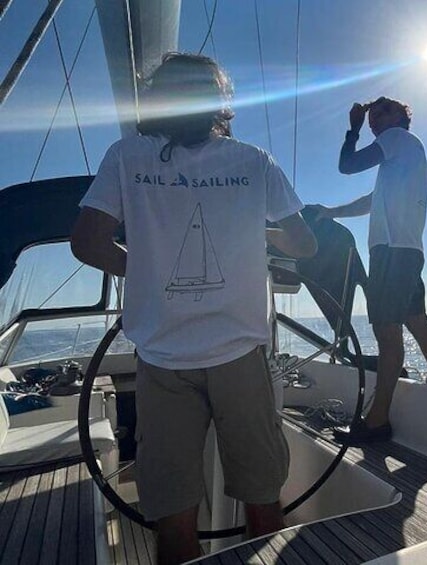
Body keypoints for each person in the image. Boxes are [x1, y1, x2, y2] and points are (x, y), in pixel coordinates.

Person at [70, 53, 317, 564]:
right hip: (240, 357)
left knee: (172, 511)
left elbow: (87, 242)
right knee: (262, 494)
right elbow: (304, 244)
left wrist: (144, 271)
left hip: (161, 362)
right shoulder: (253, 160)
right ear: (219, 102)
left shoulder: (125, 157)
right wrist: (251, 233)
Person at [309, 96, 427, 444]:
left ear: (401, 116)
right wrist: (331, 212)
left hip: (391, 254)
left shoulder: (397, 139)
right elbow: (370, 203)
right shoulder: (403, 157)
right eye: (371, 117)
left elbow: (347, 165)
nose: (374, 120)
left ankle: (377, 421)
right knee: (418, 323)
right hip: (408, 252)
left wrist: (352, 129)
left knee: (387, 333)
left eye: (381, 112)